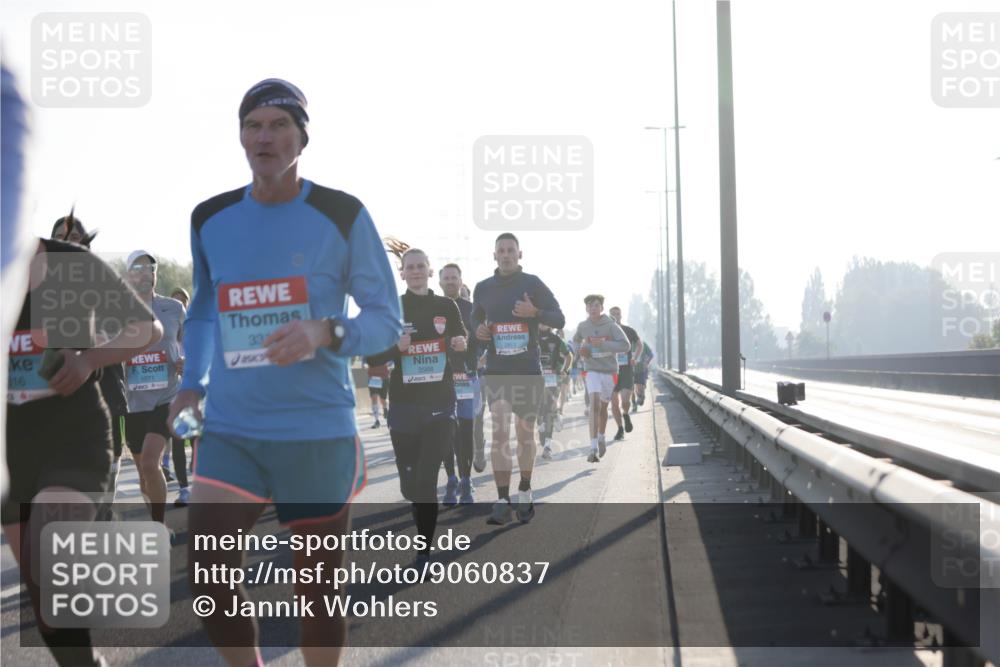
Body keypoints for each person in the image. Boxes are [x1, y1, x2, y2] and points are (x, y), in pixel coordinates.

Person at [168, 78, 401, 667]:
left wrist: (327, 331)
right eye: (253, 125)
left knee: (317, 591)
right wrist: (192, 383)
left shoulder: (342, 214)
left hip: (315, 432)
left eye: (278, 126)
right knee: (210, 576)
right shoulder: (210, 218)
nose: (263, 137)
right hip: (230, 429)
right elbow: (200, 313)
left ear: (302, 138)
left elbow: (386, 323)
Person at [4, 237, 161, 667]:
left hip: (73, 438)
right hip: (8, 453)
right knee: (47, 607)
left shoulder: (69, 263)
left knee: (51, 555)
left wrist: (88, 360)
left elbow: (148, 329)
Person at [366, 241, 467, 565]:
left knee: (426, 480)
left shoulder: (446, 306)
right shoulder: (392, 309)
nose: (415, 271)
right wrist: (396, 347)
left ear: (430, 271)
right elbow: (371, 356)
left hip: (440, 402)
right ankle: (411, 490)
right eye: (409, 267)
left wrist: (460, 343)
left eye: (420, 266)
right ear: (402, 273)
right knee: (411, 486)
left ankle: (424, 550)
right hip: (405, 406)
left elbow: (460, 342)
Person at [473, 233, 565, 525]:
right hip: (498, 370)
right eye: (501, 250)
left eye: (511, 250)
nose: (506, 254)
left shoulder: (533, 284)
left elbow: (559, 318)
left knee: (525, 434)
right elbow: (475, 320)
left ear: (519, 254)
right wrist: (479, 330)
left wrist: (534, 312)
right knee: (499, 431)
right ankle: (502, 500)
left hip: (527, 371)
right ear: (494, 255)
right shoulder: (482, 288)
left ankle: (524, 489)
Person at [50, 215, 130, 522]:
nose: (65, 242)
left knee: (103, 490)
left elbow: (134, 330)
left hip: (105, 394)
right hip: (60, 400)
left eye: (72, 237)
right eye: (58, 236)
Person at [122, 250, 187, 519]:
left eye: (149, 268)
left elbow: (186, 342)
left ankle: (159, 526)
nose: (144, 273)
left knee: (151, 463)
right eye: (137, 269)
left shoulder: (173, 308)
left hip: (166, 396)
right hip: (133, 401)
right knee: (143, 473)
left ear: (154, 273)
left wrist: (185, 360)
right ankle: (154, 521)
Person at [438, 262, 479, 505]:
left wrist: (472, 358)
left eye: (454, 278)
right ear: (440, 282)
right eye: (447, 278)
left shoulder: (472, 309)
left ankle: (466, 481)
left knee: (465, 430)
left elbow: (481, 341)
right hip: (438, 379)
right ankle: (451, 478)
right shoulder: (434, 308)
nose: (451, 281)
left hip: (465, 377)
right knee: (445, 431)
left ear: (461, 281)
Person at [572, 295, 630, 462]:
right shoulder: (583, 326)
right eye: (590, 306)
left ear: (602, 308)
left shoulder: (611, 326)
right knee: (594, 404)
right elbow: (575, 341)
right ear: (586, 309)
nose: (593, 308)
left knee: (603, 408)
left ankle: (601, 436)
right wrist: (580, 351)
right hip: (591, 369)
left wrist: (603, 344)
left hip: (609, 371)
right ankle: (593, 448)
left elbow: (625, 345)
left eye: (596, 305)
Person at [537, 323, 572, 460]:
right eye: (541, 321)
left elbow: (569, 356)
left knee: (550, 408)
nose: (543, 324)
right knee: (539, 410)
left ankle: (547, 446)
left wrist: (565, 370)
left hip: (553, 378)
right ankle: (542, 424)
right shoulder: (532, 336)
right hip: (536, 379)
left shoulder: (556, 340)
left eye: (547, 321)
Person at [608, 306, 641, 441]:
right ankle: (620, 429)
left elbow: (640, 344)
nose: (615, 317)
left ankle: (626, 414)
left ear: (621, 316)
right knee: (614, 403)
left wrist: (635, 358)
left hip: (626, 369)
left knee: (625, 399)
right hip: (610, 370)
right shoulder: (606, 333)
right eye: (613, 315)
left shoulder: (629, 331)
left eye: (617, 314)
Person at [365, 360, 390, 428]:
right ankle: (376, 421)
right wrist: (365, 366)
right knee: (374, 397)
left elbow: (391, 362)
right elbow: (364, 362)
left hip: (384, 378)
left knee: (383, 399)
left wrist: (389, 365)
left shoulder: (384, 350)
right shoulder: (368, 352)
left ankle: (385, 409)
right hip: (373, 378)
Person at [632, 340, 654, 410]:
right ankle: (634, 404)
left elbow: (651, 355)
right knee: (631, 389)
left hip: (641, 369)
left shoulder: (643, 344)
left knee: (640, 387)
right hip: (630, 370)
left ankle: (641, 396)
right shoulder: (627, 343)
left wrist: (647, 362)